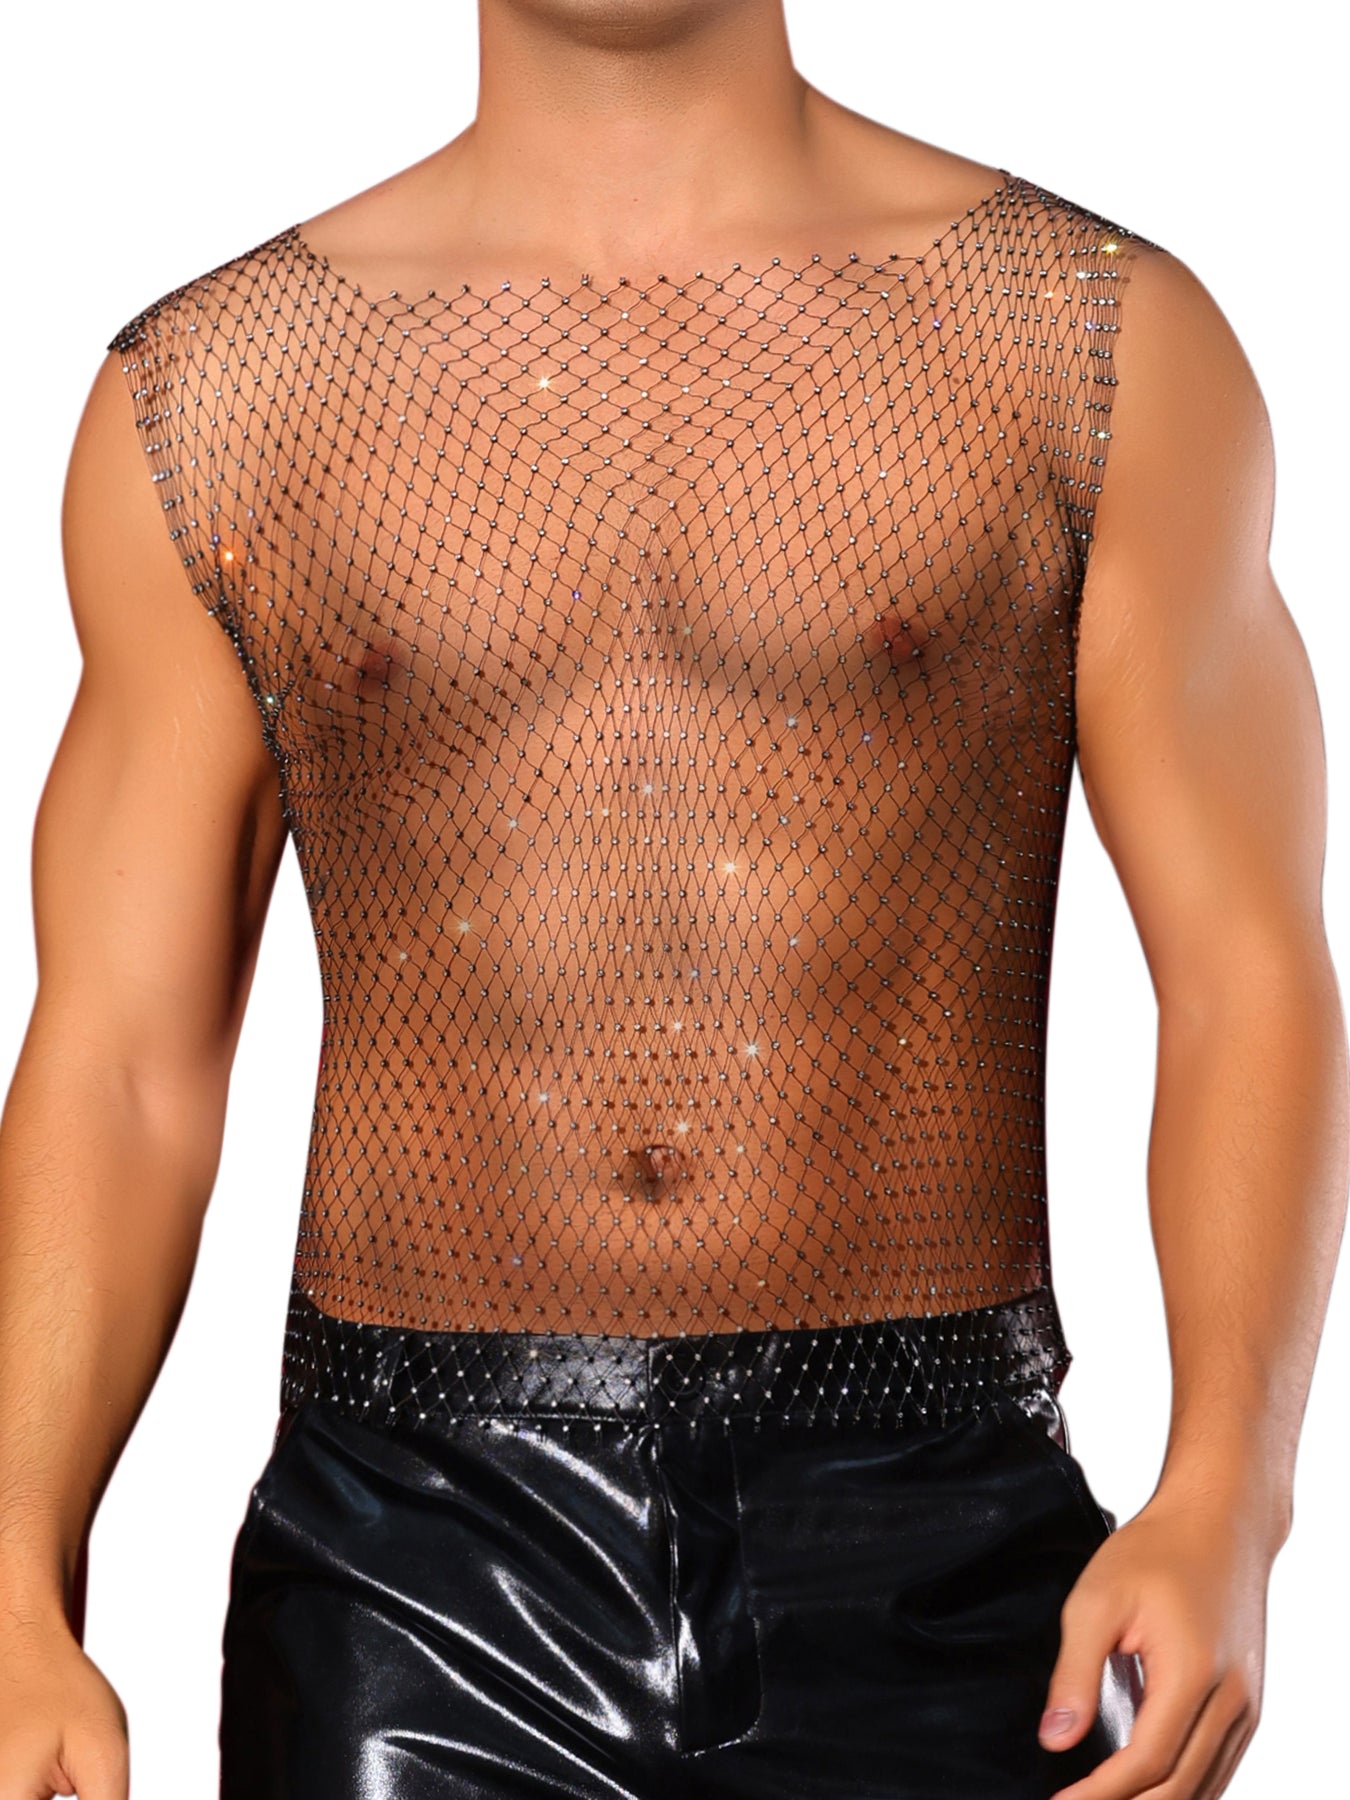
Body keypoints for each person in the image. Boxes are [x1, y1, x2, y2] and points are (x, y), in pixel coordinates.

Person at [1, 0, 1345, 1795]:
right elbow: (122, 1053)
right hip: (408, 1560)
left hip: (940, 1531)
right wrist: (16, 1569)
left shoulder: (1089, 340)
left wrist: (1229, 1493)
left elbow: (1246, 966)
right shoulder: (217, 391)